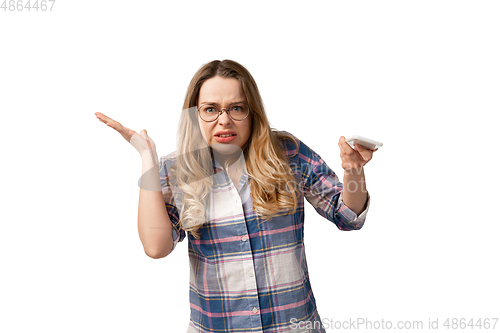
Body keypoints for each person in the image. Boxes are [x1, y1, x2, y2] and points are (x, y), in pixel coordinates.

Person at [95, 59, 377, 333]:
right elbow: (156, 248)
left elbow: (348, 217)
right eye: (211, 109)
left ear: (252, 111)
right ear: (196, 115)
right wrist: (147, 159)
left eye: (236, 108)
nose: (224, 121)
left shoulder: (288, 153)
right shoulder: (176, 170)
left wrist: (353, 170)